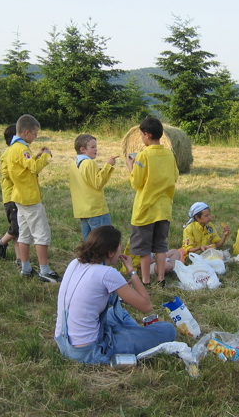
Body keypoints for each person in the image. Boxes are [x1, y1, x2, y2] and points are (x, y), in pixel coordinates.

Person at [54, 225, 177, 364]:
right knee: (167, 330)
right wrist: (131, 271)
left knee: (119, 313)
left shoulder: (75, 263)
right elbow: (146, 306)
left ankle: (133, 335)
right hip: (88, 351)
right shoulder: (108, 273)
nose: (121, 250)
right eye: (119, 246)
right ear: (111, 253)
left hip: (63, 341)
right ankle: (136, 337)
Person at [7, 114, 60, 283]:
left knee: (24, 233)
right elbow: (34, 168)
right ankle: (45, 270)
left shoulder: (13, 148)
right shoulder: (22, 149)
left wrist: (36, 154)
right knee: (41, 233)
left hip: (19, 196)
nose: (36, 137)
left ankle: (26, 268)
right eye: (35, 134)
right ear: (27, 132)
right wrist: (45, 156)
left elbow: (25, 166)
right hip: (30, 199)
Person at [126, 117, 178, 287]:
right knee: (161, 246)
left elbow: (136, 183)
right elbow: (175, 176)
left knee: (144, 248)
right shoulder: (169, 154)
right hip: (164, 209)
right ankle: (161, 279)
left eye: (141, 135)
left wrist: (130, 166)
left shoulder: (143, 156)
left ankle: (146, 281)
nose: (141, 138)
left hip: (146, 209)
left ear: (147, 135)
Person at [68, 134, 118, 241]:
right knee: (104, 241)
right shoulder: (89, 163)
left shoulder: (73, 165)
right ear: (83, 149)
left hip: (82, 211)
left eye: (96, 146)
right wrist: (108, 166)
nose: (96, 149)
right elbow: (98, 183)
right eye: (93, 147)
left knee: (89, 243)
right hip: (96, 210)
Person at [0, 124, 22, 265]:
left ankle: (19, 258)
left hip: (19, 195)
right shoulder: (8, 154)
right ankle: (1, 242)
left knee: (19, 228)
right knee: (16, 227)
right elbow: (6, 173)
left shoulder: (17, 151)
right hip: (11, 197)